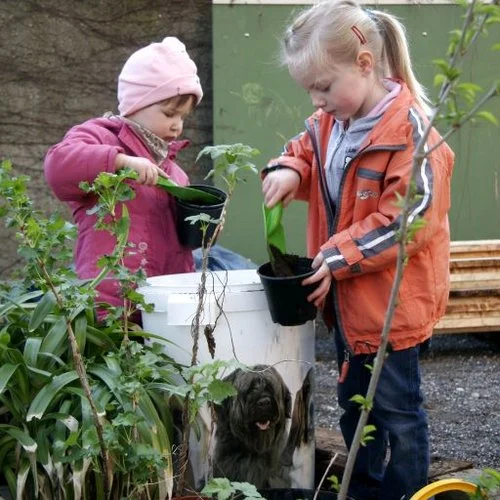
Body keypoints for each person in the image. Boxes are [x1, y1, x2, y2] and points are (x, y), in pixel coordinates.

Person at [261, 1, 454, 498]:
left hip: (390, 309)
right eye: (309, 90)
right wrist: (289, 168)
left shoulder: (413, 135)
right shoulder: (330, 122)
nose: (317, 100)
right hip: (347, 307)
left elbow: (408, 220)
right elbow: (304, 148)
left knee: (395, 414)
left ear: (365, 64)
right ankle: (364, 488)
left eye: (324, 87)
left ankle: (404, 490)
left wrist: (337, 254)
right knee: (354, 406)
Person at [44, 37, 203, 318]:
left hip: (161, 310)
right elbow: (58, 167)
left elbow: (182, 244)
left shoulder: (174, 174)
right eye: (169, 113)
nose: (177, 125)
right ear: (136, 104)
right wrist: (119, 162)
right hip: (109, 306)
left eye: (183, 117)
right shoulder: (100, 137)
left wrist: (204, 227)